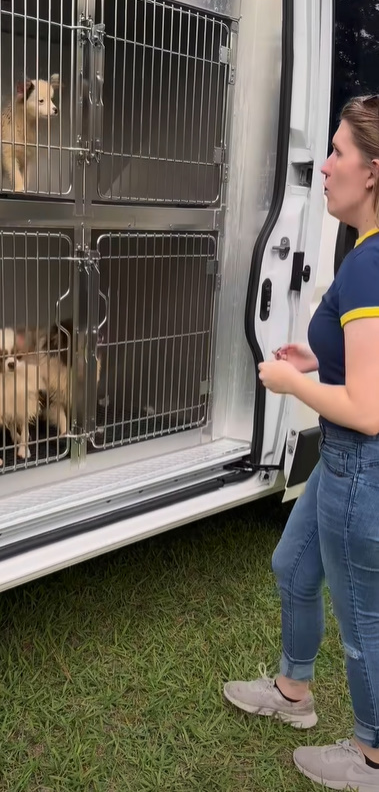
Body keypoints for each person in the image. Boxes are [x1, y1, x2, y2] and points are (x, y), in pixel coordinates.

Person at [224, 94, 379, 791]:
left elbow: (367, 410)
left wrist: (288, 382)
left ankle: (371, 756)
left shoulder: (369, 265)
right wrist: (323, 362)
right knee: (292, 568)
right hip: (344, 462)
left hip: (359, 463)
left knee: (360, 623)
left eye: (338, 152)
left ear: (372, 172)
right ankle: (293, 696)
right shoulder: (365, 254)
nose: (323, 167)